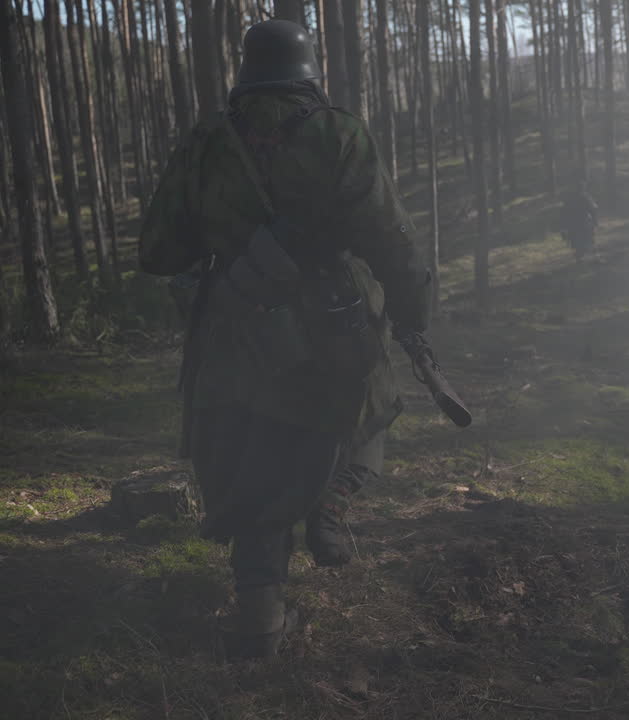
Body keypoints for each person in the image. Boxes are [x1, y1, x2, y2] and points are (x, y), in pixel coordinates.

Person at [139, 19, 432, 659]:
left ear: (244, 73)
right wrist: (413, 309)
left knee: (253, 459)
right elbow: (391, 235)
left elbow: (159, 249)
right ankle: (332, 500)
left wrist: (227, 241)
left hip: (234, 329)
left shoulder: (208, 142)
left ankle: (260, 613)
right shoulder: (338, 132)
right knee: (370, 408)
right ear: (308, 72)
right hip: (332, 322)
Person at [559, 179, 599, 261]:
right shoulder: (585, 197)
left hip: (574, 223)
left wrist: (563, 226)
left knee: (580, 240)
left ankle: (581, 255)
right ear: (582, 188)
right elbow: (593, 209)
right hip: (582, 223)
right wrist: (595, 221)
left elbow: (563, 213)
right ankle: (582, 254)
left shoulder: (569, 199)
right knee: (586, 239)